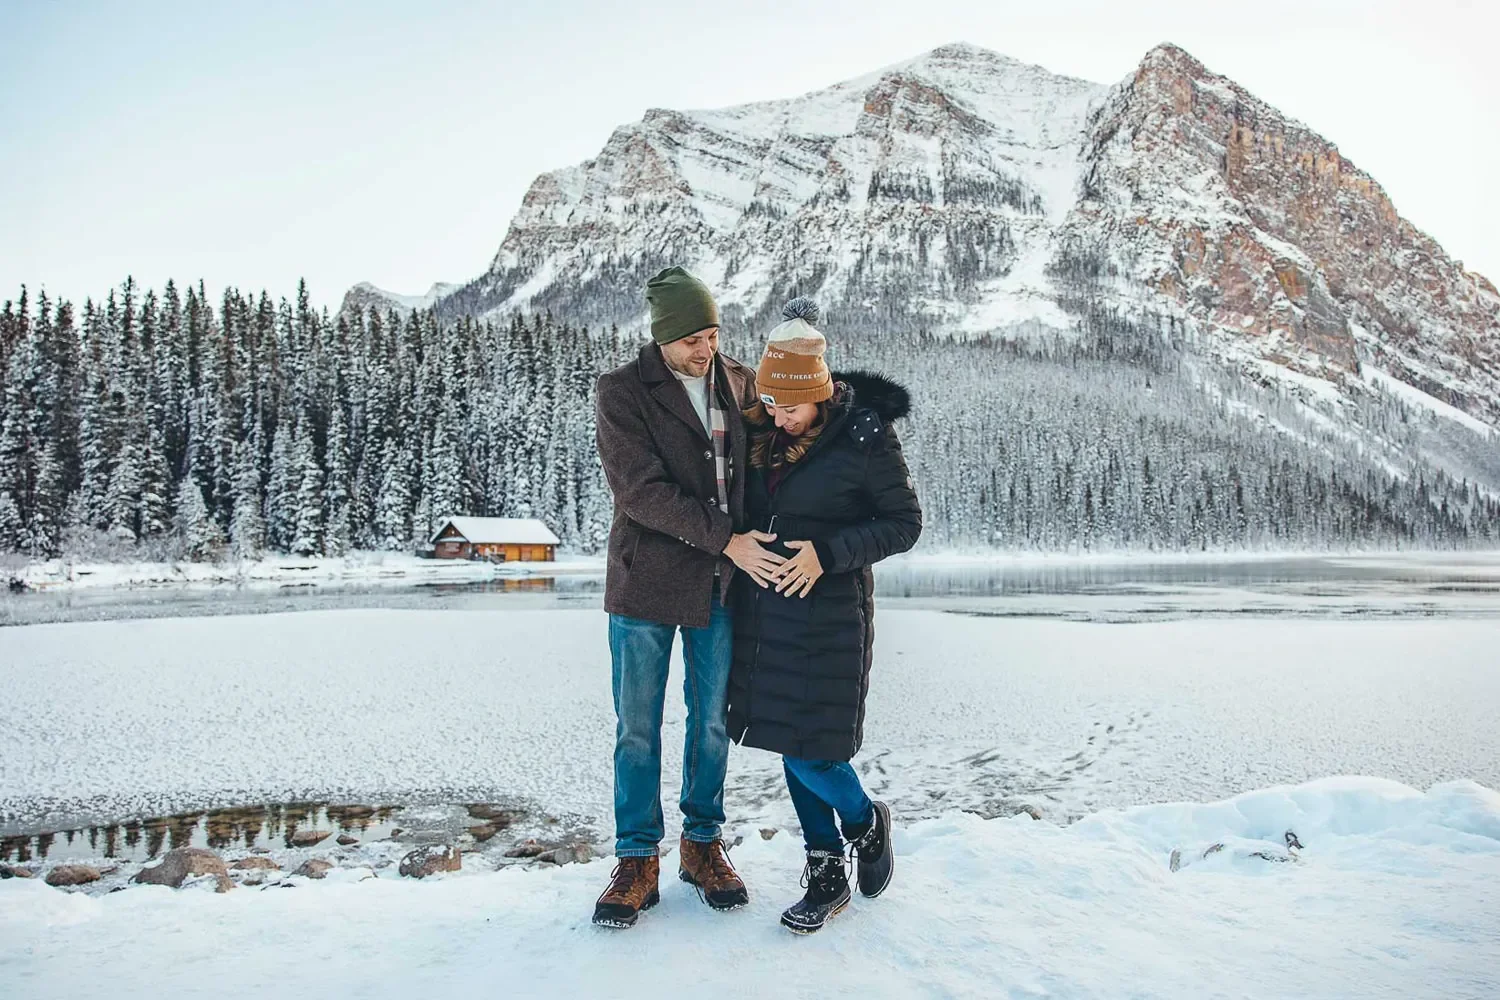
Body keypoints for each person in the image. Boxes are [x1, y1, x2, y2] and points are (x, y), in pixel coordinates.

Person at [590, 266, 786, 929]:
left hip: (720, 587)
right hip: (645, 583)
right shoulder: (622, 391)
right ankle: (636, 859)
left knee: (711, 722)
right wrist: (728, 539)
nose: (706, 350)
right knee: (637, 727)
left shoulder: (741, 382)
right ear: (662, 337)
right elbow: (639, 492)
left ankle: (702, 845)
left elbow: (776, 456)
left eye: (713, 335)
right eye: (691, 341)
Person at [726, 297, 922, 933]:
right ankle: (825, 870)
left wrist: (827, 554)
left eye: (790, 406)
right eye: (770, 403)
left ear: (818, 393)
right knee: (790, 745)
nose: (778, 416)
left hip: (830, 618)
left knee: (815, 753)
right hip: (767, 618)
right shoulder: (762, 432)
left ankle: (865, 820)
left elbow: (903, 524)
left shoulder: (864, 437)